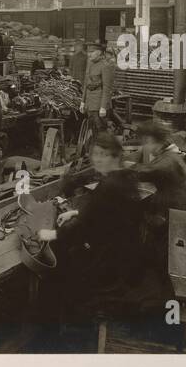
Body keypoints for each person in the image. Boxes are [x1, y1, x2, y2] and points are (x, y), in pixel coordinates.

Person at [40, 132, 147, 313]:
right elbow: (107, 213)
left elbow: (84, 226)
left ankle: (58, 319)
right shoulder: (127, 176)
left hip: (111, 263)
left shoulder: (108, 185)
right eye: (95, 154)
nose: (97, 159)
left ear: (116, 156)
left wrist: (52, 234)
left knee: (58, 257)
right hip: (127, 253)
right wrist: (75, 212)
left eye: (103, 155)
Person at [134, 120, 186, 219]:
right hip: (173, 203)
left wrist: (120, 169)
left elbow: (147, 172)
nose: (145, 146)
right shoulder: (167, 154)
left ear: (159, 141)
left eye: (148, 142)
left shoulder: (168, 161)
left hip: (176, 212)